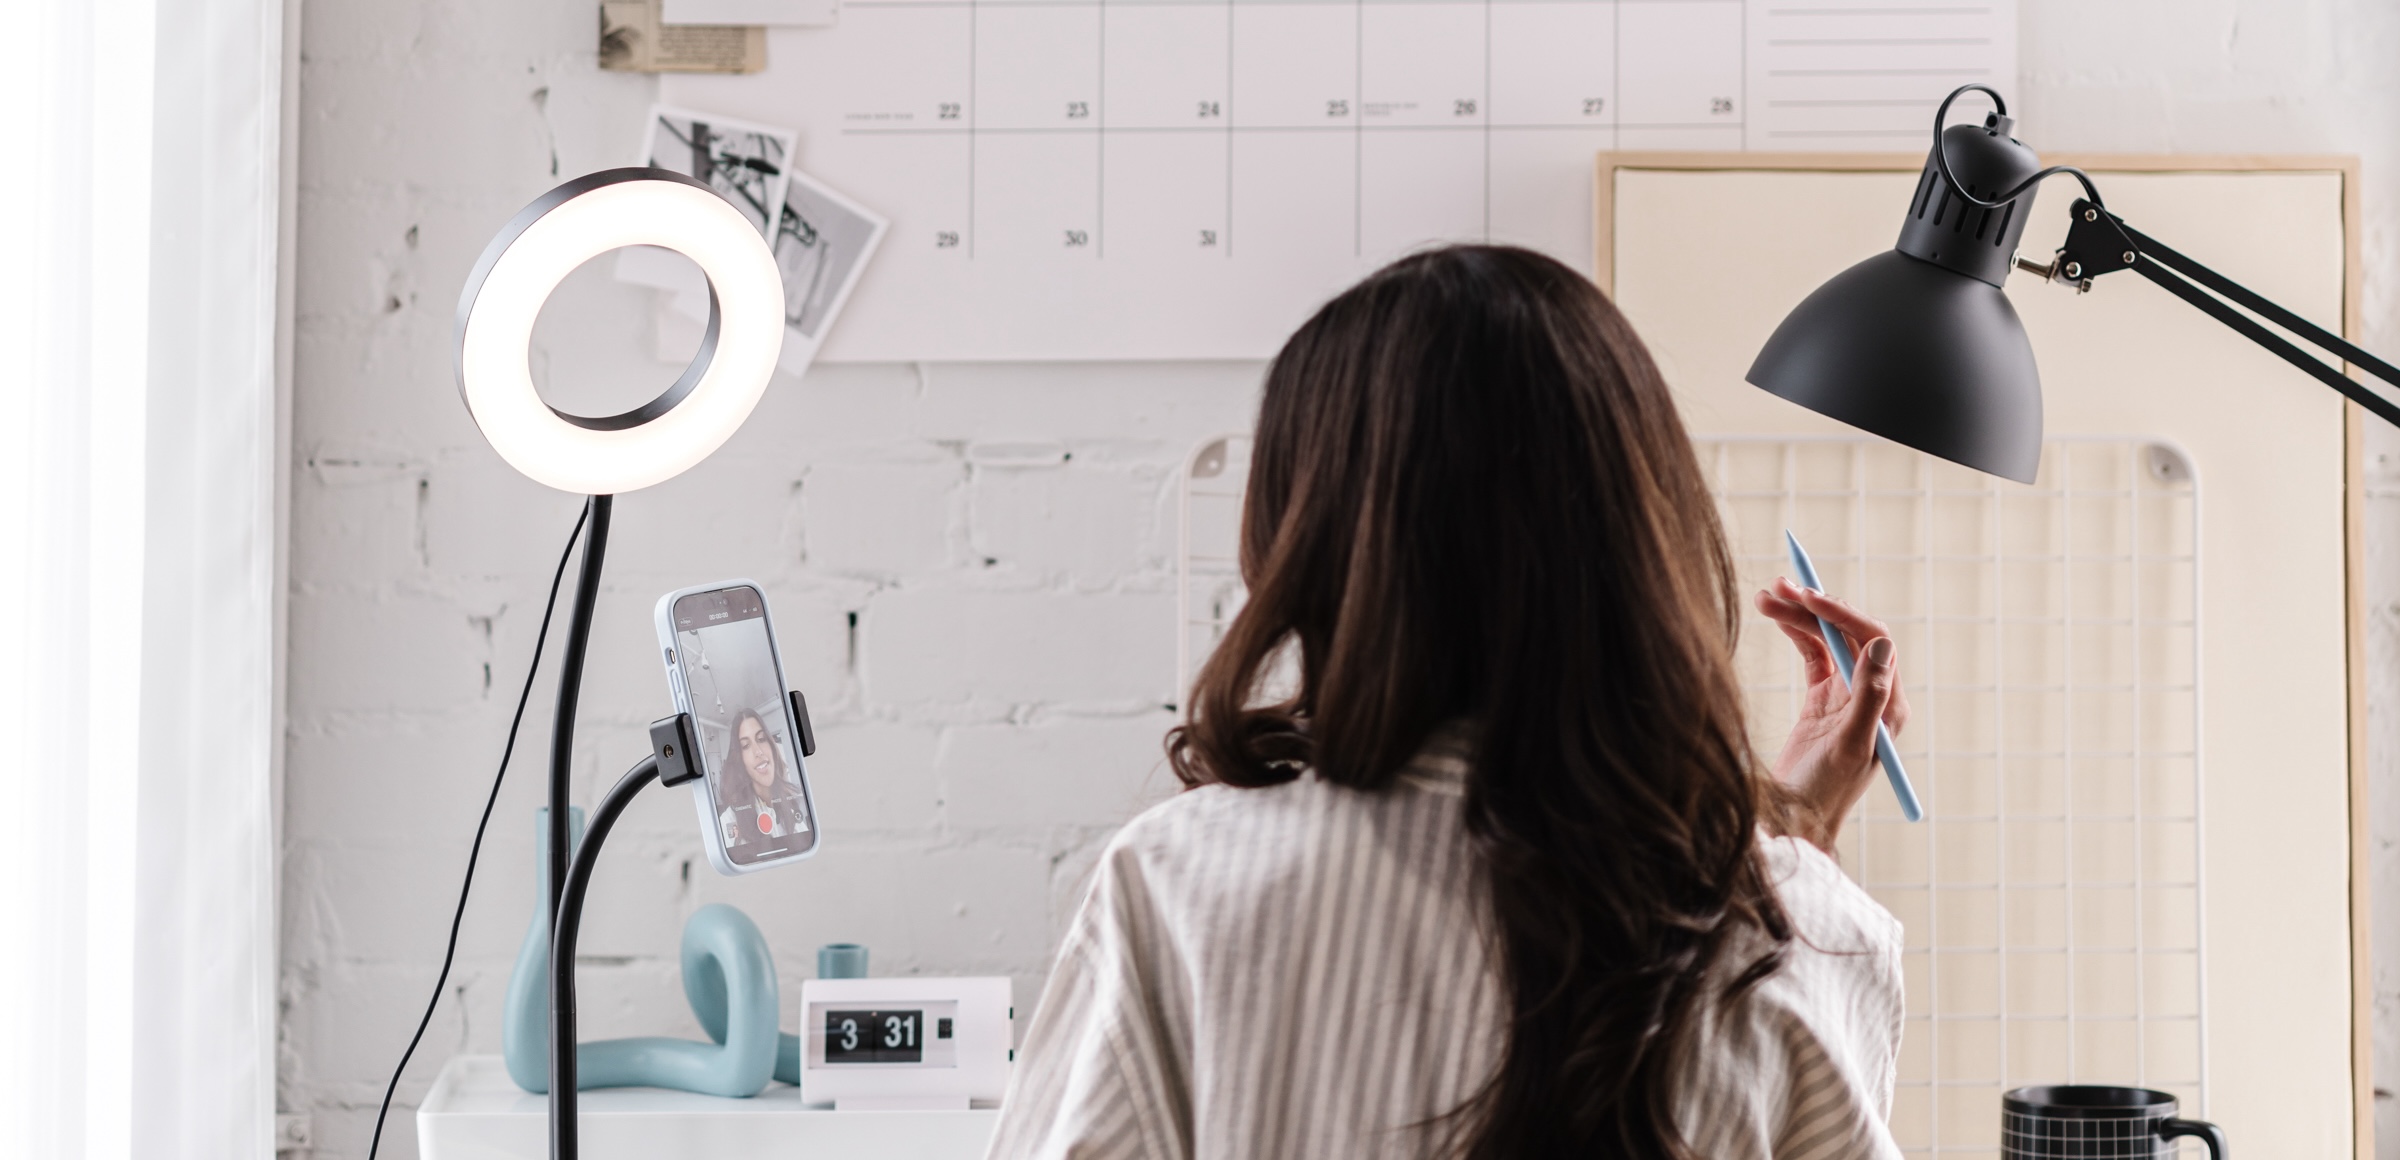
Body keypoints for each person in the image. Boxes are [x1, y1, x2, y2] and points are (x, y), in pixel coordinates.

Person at [985, 246, 1910, 1159]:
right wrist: (1790, 844)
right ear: (1648, 538)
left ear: (1304, 535)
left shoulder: (1178, 887)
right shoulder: (1815, 935)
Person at [716, 707, 810, 848]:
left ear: (772, 746)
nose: (758, 751)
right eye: (746, 746)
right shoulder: (728, 821)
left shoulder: (791, 807)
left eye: (761, 739)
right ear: (740, 759)